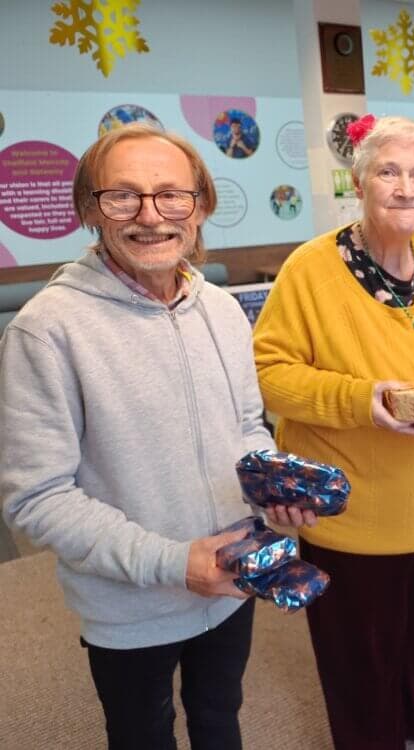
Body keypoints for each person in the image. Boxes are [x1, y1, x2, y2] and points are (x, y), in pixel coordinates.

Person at [0, 124, 275, 749]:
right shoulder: (47, 331)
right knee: (142, 732)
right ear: (90, 209)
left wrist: (269, 485)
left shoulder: (225, 311)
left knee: (218, 717)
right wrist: (173, 563)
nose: (151, 216)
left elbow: (247, 427)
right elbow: (36, 496)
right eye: (124, 195)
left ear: (200, 205)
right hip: (131, 605)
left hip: (233, 578)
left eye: (171, 195)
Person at [253, 115, 414, 750]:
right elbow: (267, 374)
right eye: (388, 171)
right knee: (359, 658)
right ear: (359, 182)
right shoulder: (309, 270)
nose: (406, 187)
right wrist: (362, 401)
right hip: (354, 516)